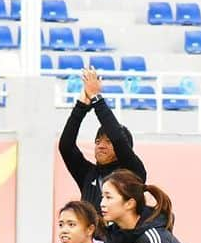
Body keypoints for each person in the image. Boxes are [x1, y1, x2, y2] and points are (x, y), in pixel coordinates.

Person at [58, 65, 147, 214]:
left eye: (108, 141)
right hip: (89, 238)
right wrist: (81, 106)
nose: (101, 145)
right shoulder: (87, 173)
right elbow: (66, 146)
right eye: (98, 141)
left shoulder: (133, 172)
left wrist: (97, 99)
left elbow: (118, 139)